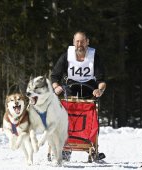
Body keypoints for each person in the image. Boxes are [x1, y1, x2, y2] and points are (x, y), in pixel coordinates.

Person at [50, 31, 106, 161]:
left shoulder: (94, 57)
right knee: (67, 121)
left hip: (89, 93)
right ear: (73, 42)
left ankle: (93, 148)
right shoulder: (66, 57)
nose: (79, 44)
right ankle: (65, 149)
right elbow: (54, 76)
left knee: (91, 120)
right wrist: (56, 87)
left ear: (87, 42)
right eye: (77, 41)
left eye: (82, 41)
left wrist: (100, 90)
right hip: (70, 94)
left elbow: (102, 80)